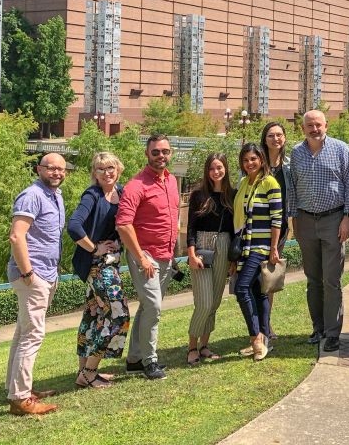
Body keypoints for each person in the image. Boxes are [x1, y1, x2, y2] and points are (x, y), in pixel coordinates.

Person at [286, 109, 349, 353]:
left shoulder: (340, 149)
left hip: (333, 219)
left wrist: (348, 217)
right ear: (303, 128)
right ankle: (317, 328)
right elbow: (292, 189)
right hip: (305, 220)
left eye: (318, 125)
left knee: (331, 280)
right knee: (313, 279)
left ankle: (332, 332)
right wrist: (294, 222)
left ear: (326, 125)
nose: (314, 129)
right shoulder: (296, 153)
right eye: (309, 126)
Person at [5, 153, 67, 415]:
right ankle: (20, 399)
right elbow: (17, 237)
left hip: (45, 273)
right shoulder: (31, 195)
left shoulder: (55, 196)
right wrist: (28, 273)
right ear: (38, 169)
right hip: (33, 275)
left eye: (61, 169)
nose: (56, 173)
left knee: (23, 334)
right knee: (33, 335)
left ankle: (18, 389)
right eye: (50, 168)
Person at [116, 134, 180, 380]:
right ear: (147, 154)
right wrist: (141, 258)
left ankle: (134, 359)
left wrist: (173, 252)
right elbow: (123, 225)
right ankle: (150, 360)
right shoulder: (136, 185)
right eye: (156, 152)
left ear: (170, 153)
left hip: (165, 256)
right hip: (145, 256)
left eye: (165, 151)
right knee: (154, 308)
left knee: (146, 307)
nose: (161, 156)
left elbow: (172, 218)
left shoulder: (172, 181)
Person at [67, 152, 128, 390]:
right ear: (95, 173)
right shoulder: (92, 195)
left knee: (93, 316)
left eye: (111, 167)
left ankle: (83, 372)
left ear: (119, 169)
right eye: (101, 169)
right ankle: (90, 371)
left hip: (110, 263)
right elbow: (74, 226)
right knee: (118, 315)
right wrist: (94, 248)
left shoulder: (121, 193)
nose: (107, 172)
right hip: (97, 265)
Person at [233, 143, 283, 361]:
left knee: (242, 288)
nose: (249, 163)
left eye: (253, 159)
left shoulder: (269, 182)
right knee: (258, 292)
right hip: (245, 245)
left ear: (261, 159)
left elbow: (277, 218)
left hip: (261, 247)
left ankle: (256, 338)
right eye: (245, 160)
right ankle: (264, 340)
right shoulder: (245, 182)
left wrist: (273, 248)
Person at [185, 153, 235, 365]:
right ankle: (192, 347)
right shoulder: (198, 195)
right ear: (207, 171)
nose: (216, 171)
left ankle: (205, 345)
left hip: (224, 246)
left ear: (225, 169)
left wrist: (233, 258)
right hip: (202, 247)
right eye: (212, 168)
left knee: (214, 302)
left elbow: (235, 229)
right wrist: (191, 254)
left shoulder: (232, 195)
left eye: (220, 167)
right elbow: (191, 228)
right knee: (203, 302)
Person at [261, 122, 290, 339]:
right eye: (271, 135)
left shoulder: (289, 165)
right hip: (258, 227)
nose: (276, 139)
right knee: (256, 278)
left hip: (280, 228)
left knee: (269, 278)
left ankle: (266, 326)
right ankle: (259, 327)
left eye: (279, 135)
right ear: (265, 139)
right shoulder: (256, 163)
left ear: (285, 139)